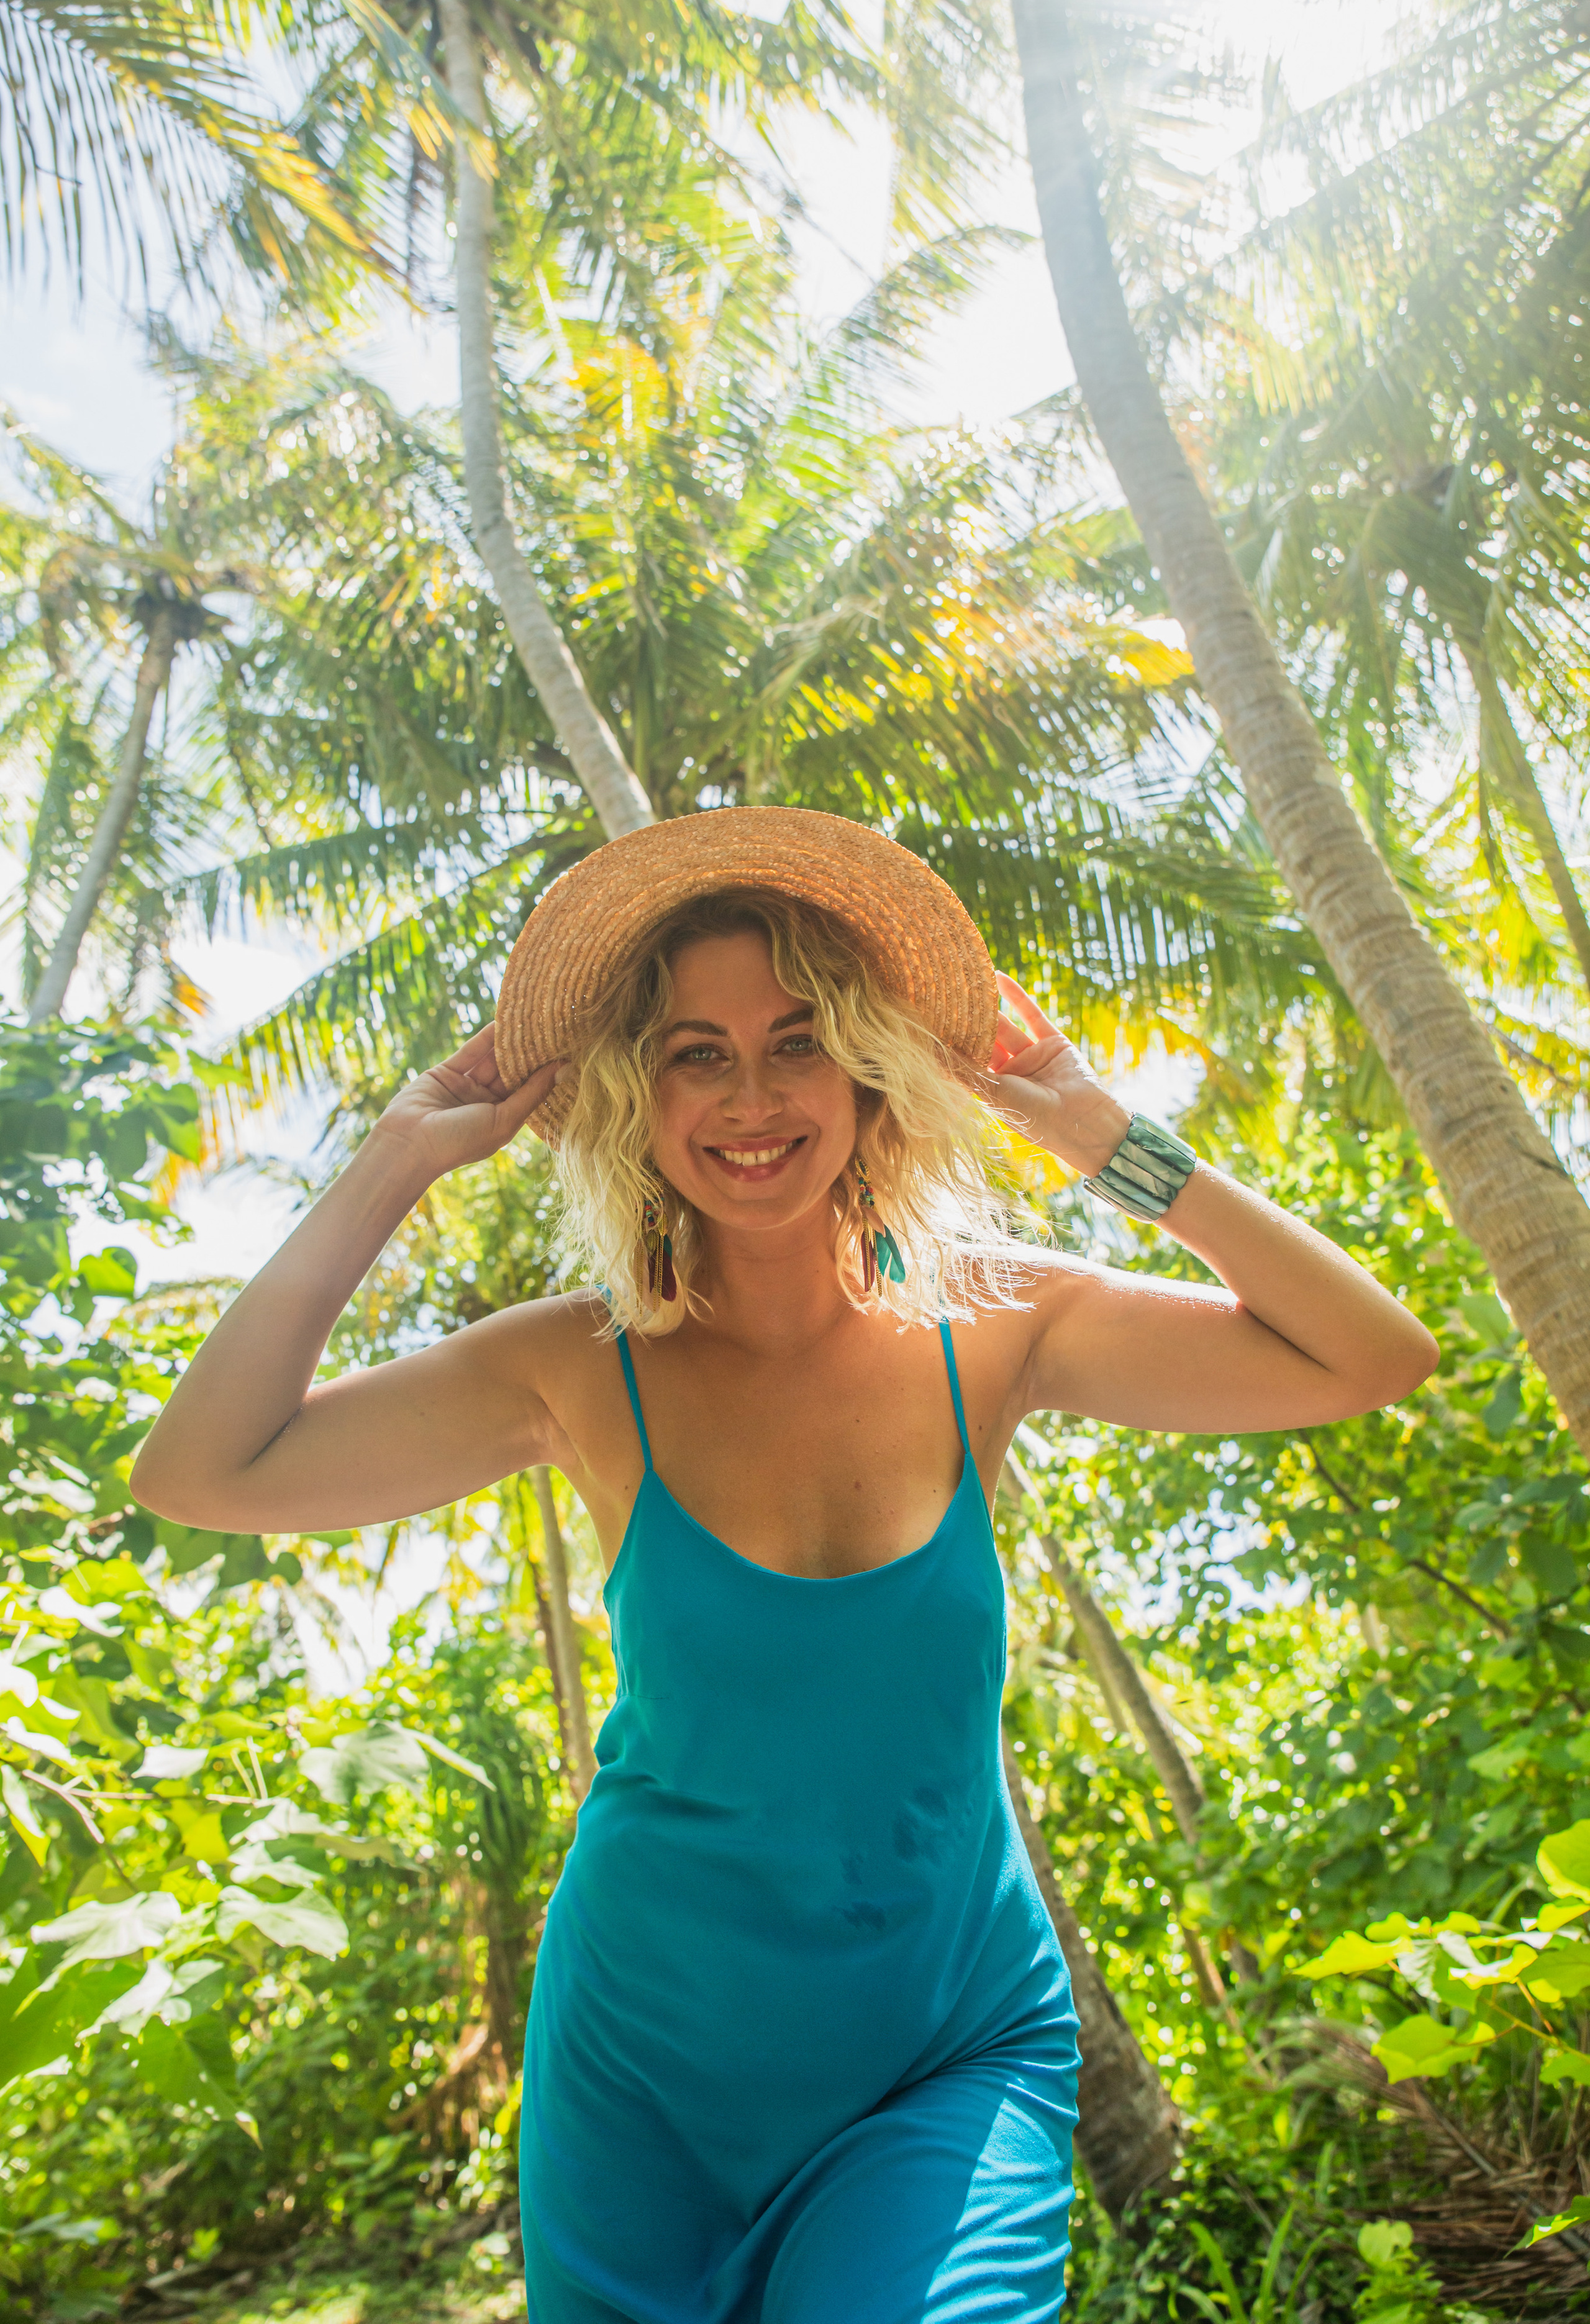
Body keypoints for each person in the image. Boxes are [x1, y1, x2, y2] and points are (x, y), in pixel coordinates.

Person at [132, 807, 1437, 2324]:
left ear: (868, 1064)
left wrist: (1093, 1132)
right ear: (636, 1089)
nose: (750, 1097)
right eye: (697, 1051)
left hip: (942, 2050)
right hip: (648, 2082)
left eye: (796, 1039)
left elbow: (1368, 1354)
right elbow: (199, 1473)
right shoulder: (573, 1367)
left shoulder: (993, 1319)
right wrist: (391, 1166)